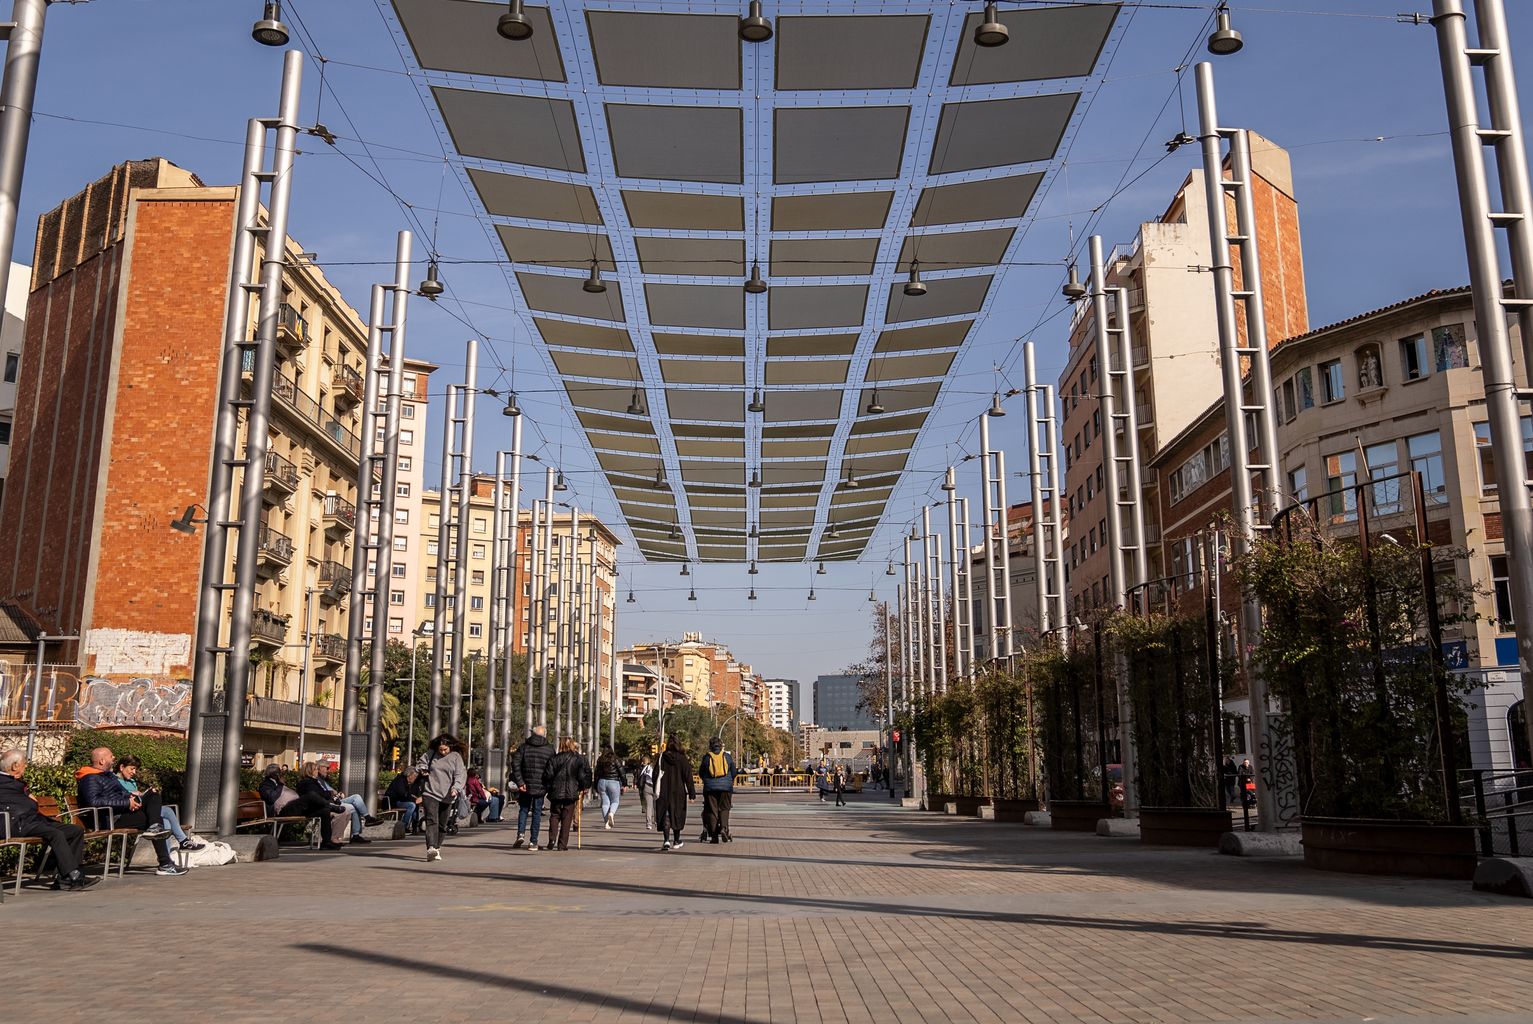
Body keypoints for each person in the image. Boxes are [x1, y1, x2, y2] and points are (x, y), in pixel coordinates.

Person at [76, 746, 186, 875]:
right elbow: (93, 802)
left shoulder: (107, 776)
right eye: (111, 756)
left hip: (120, 813)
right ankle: (165, 864)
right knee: (157, 819)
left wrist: (131, 797)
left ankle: (155, 831)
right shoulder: (90, 778)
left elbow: (118, 794)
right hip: (109, 818)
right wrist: (126, 803)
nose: (114, 758)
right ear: (101, 761)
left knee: (153, 795)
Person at [0, 748, 97, 890]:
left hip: (33, 821)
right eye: (24, 763)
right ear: (15, 766)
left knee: (75, 830)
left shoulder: (17, 782)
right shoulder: (2, 782)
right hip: (17, 823)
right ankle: (73, 876)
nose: (25, 766)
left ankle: (64, 878)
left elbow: (28, 798)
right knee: (55, 834)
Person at [114, 754, 205, 852]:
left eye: (136, 769)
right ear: (122, 767)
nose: (134, 772)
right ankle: (183, 841)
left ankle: (168, 861)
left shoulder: (132, 782)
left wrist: (142, 795)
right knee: (167, 810)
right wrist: (130, 794)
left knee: (165, 822)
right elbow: (116, 796)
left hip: (139, 810)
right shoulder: (113, 781)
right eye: (132, 769)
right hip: (125, 814)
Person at [257, 764, 344, 850]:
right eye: (278, 772)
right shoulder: (265, 785)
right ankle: (331, 806)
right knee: (311, 795)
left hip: (297, 808)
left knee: (324, 810)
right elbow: (271, 798)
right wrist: (280, 784)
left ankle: (326, 842)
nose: (281, 774)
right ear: (272, 774)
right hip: (283, 810)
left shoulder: (279, 783)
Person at [416, 734, 467, 862]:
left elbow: (460, 774)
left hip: (448, 794)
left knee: (443, 824)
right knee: (431, 819)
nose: (443, 752)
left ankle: (437, 847)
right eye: (441, 750)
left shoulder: (456, 757)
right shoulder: (431, 753)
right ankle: (431, 848)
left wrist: (456, 788)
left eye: (445, 749)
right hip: (430, 792)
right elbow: (421, 763)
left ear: (450, 747)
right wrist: (422, 769)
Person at [298, 762, 376, 845]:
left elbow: (322, 793)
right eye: (316, 769)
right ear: (311, 771)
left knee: (350, 807)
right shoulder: (309, 782)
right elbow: (318, 794)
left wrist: (334, 794)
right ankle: (340, 837)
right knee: (351, 806)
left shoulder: (319, 781)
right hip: (319, 806)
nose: (327, 770)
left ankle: (337, 837)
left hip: (328, 803)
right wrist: (331, 793)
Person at [543, 738, 592, 851]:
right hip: (571, 791)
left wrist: (550, 787)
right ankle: (562, 844)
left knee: (555, 815)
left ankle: (552, 838)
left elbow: (548, 775)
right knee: (567, 818)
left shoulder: (554, 759)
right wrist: (584, 786)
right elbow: (581, 776)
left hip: (556, 791)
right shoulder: (578, 759)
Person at [511, 725, 555, 851]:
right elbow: (552, 769)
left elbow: (515, 764)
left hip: (525, 785)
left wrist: (520, 782)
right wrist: (548, 784)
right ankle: (533, 841)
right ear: (544, 735)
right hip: (541, 786)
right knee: (537, 812)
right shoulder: (549, 749)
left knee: (524, 809)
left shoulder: (524, 747)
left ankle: (520, 834)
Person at [655, 737, 695, 851]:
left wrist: (655, 789)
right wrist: (692, 794)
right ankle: (677, 840)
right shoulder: (682, 759)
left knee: (666, 815)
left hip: (663, 791)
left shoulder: (662, 757)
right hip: (678, 792)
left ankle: (666, 840)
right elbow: (688, 777)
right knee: (677, 814)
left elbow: (655, 774)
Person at [698, 736, 738, 844]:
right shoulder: (727, 757)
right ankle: (723, 828)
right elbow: (734, 772)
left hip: (710, 789)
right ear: (720, 746)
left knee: (712, 811)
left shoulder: (707, 757)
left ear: (710, 746)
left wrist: (707, 780)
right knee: (724, 808)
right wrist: (729, 781)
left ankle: (714, 836)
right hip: (726, 789)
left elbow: (701, 772)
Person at [593, 747, 624, 829]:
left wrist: (595, 785)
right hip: (614, 782)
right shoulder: (616, 759)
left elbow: (596, 773)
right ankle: (611, 813)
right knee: (615, 801)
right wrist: (624, 783)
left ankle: (607, 822)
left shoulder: (600, 760)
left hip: (602, 782)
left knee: (605, 803)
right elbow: (621, 771)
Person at [384, 769, 423, 833]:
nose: (415, 778)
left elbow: (406, 794)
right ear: (410, 775)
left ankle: (415, 826)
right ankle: (404, 826)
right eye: (415, 776)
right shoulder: (400, 781)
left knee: (414, 804)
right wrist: (414, 800)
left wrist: (415, 799)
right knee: (412, 805)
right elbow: (402, 794)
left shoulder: (405, 781)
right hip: (392, 802)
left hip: (398, 800)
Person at [635, 755, 655, 831]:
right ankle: (656, 821)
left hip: (647, 787)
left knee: (648, 807)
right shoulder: (660, 767)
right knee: (656, 806)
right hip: (656, 788)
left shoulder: (647, 767)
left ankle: (649, 824)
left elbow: (640, 775)